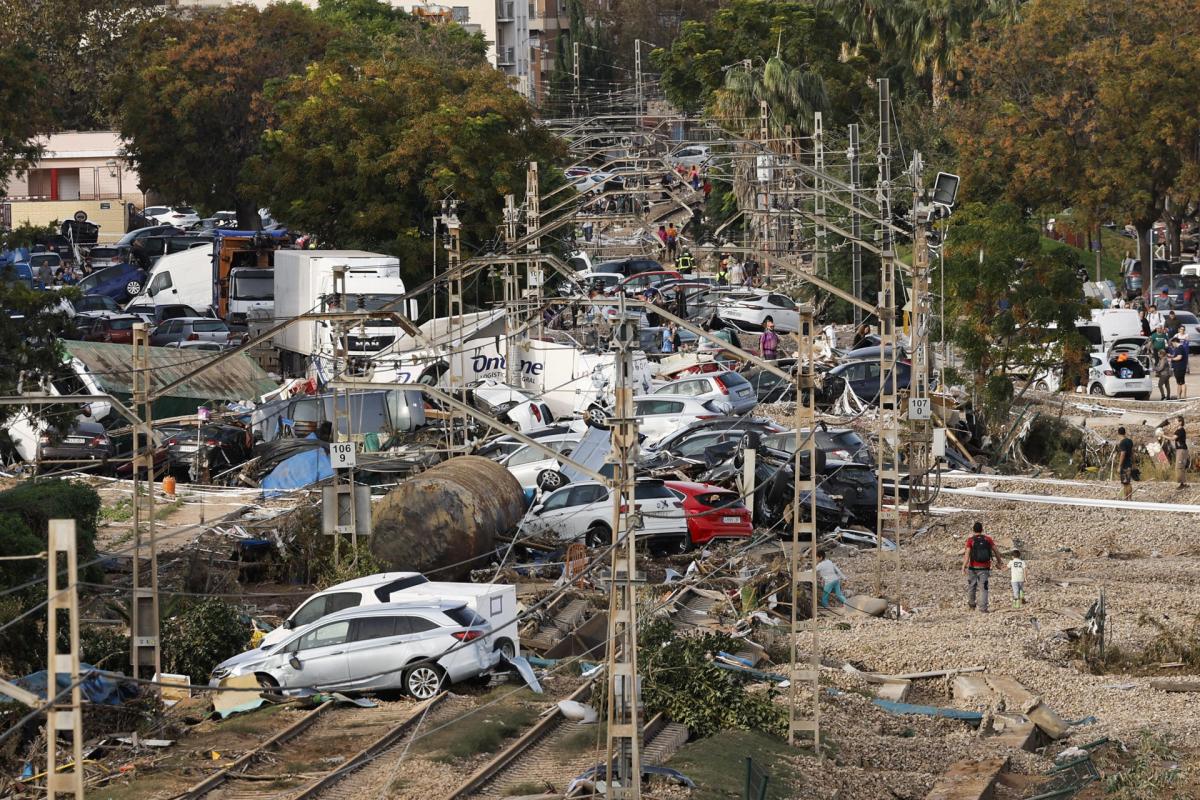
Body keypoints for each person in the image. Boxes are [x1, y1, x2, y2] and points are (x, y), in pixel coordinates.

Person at [962, 521, 1000, 612]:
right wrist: (999, 561)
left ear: (973, 530)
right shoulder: (988, 539)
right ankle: (983, 608)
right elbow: (996, 551)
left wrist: (963, 566)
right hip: (985, 567)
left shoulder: (970, 540)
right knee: (983, 588)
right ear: (982, 529)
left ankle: (971, 606)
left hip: (973, 568)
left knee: (972, 586)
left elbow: (967, 555)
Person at [1116, 426, 1134, 501]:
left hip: (1125, 465)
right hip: (1129, 463)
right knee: (1128, 482)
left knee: (1125, 483)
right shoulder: (1130, 441)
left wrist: (1119, 466)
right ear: (1125, 433)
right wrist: (1133, 463)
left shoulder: (1122, 442)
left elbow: (1122, 454)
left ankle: (1126, 499)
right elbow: (1132, 453)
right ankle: (1129, 498)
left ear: (1118, 434)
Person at [1170, 335, 1189, 400]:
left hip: (1180, 367)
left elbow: (1179, 357)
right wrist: (1171, 356)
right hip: (1178, 367)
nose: (1172, 345)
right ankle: (1179, 396)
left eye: (1172, 343)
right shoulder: (1178, 348)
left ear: (1175, 342)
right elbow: (1177, 355)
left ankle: (1184, 397)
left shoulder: (1180, 347)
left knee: (1182, 382)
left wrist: (1172, 359)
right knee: (1179, 382)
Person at [1174, 415, 1189, 489]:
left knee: (1179, 467)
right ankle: (1182, 483)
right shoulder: (1178, 430)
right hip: (1180, 450)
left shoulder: (1181, 431)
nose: (1175, 422)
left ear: (1180, 422)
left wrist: (1162, 435)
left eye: (1176, 421)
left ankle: (1182, 484)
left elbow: (1172, 438)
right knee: (1179, 467)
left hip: (1182, 450)